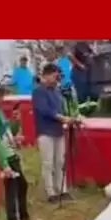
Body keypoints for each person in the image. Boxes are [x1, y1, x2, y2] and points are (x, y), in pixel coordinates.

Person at [0, 82, 31, 220]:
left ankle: (23, 217)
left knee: (22, 185)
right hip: (3, 156)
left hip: (10, 152)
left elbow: (7, 131)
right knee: (11, 189)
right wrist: (4, 165)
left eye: (2, 94)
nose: (1, 98)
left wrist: (16, 121)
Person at [32, 62, 74, 204]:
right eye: (55, 77)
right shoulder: (38, 92)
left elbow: (62, 108)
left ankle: (62, 189)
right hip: (45, 131)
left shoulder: (57, 91)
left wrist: (69, 117)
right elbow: (45, 110)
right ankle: (51, 192)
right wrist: (62, 118)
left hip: (59, 131)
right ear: (47, 75)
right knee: (48, 163)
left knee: (60, 161)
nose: (57, 80)